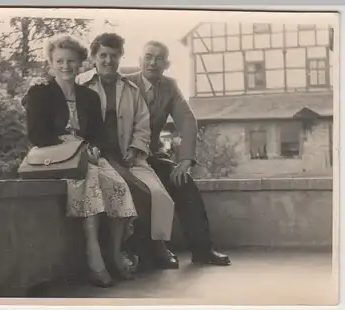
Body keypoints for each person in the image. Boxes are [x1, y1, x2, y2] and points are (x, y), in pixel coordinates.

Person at [23, 35, 138, 288]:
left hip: (85, 155)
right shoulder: (39, 93)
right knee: (91, 179)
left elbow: (98, 134)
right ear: (51, 63)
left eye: (71, 61)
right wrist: (67, 143)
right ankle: (94, 256)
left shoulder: (88, 96)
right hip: (56, 159)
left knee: (119, 186)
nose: (66, 66)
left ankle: (115, 254)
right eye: (60, 61)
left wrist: (94, 147)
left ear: (80, 63)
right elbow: (35, 134)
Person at [75, 33, 179, 270]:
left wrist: (135, 148)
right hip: (96, 157)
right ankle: (125, 249)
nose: (108, 61)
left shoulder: (131, 89)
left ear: (121, 57)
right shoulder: (80, 83)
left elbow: (143, 126)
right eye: (103, 55)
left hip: (127, 157)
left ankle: (157, 246)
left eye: (114, 56)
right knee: (129, 192)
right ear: (93, 57)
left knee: (158, 194)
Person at [123, 40, 231, 267]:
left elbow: (188, 122)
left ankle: (203, 250)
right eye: (148, 56)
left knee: (184, 183)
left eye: (159, 58)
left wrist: (184, 160)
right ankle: (153, 251)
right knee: (143, 193)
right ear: (139, 60)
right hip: (126, 156)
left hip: (152, 156)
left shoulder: (169, 87)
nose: (153, 62)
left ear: (167, 64)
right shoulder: (125, 83)